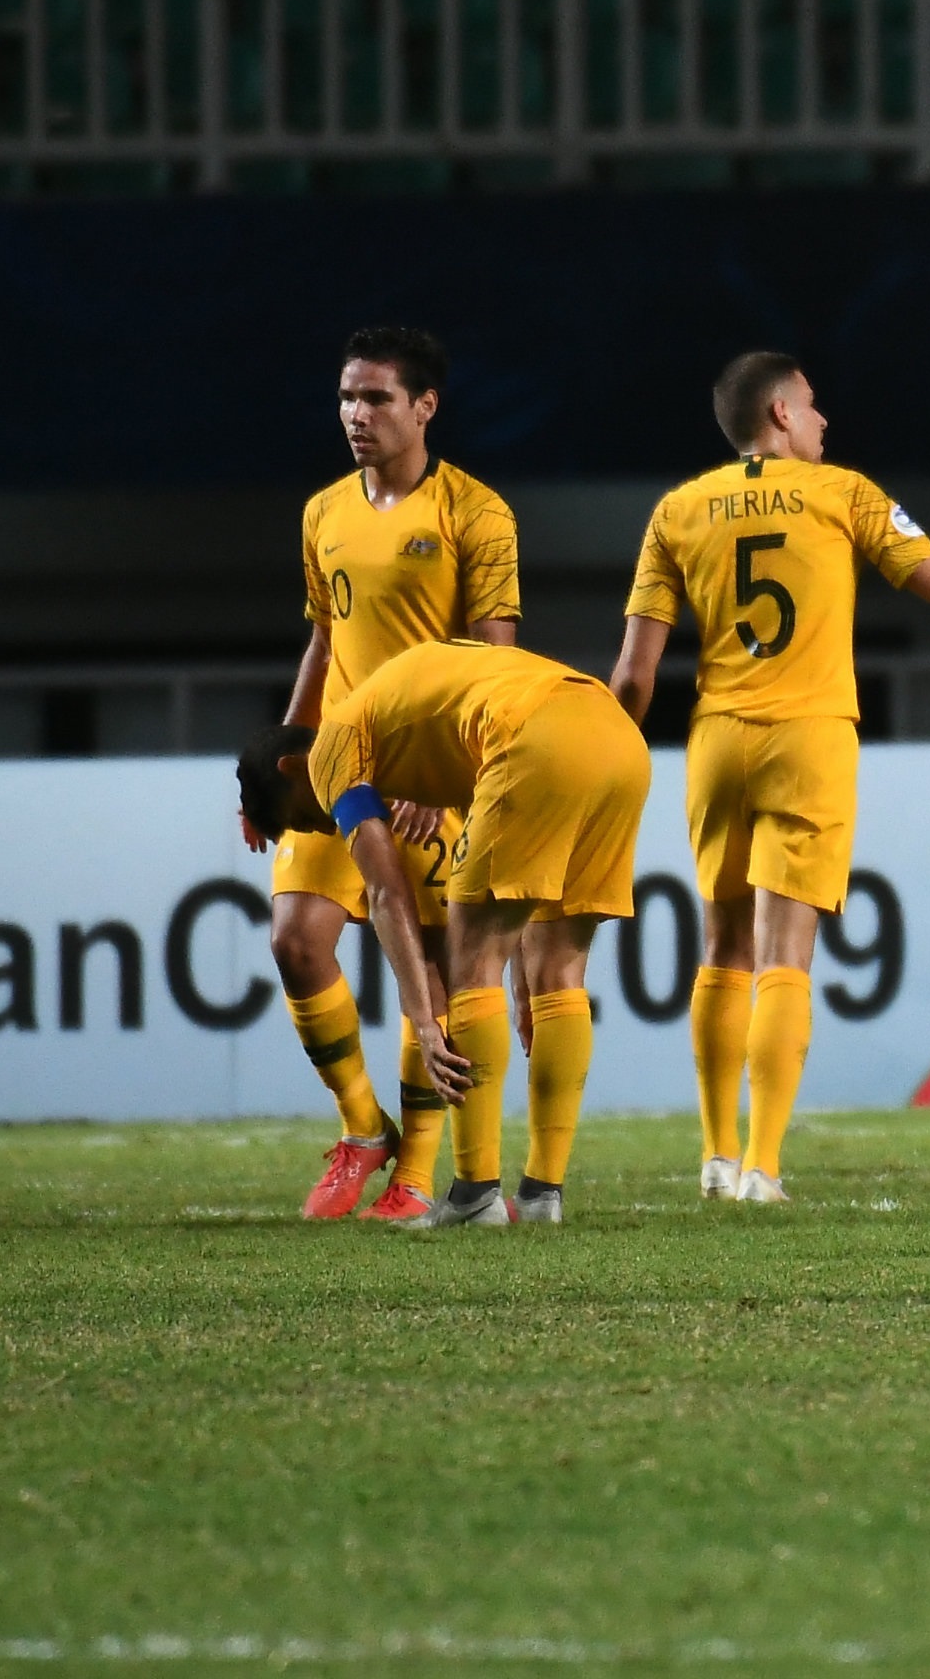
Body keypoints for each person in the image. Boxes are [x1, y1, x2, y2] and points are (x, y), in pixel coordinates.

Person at [608, 353, 930, 1203]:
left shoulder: (677, 511)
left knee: (722, 948)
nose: (824, 420)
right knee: (784, 955)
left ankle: (716, 1156)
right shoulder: (843, 494)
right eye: (812, 405)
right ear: (779, 412)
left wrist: (596, 765)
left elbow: (633, 674)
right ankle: (762, 1166)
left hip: (717, 741)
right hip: (807, 737)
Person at [239, 327, 521, 1223]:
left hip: (431, 773)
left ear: (425, 407)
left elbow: (496, 658)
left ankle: (415, 1178)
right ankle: (363, 1129)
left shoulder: (477, 513)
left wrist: (448, 777)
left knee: (429, 975)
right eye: (345, 398)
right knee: (295, 941)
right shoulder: (324, 512)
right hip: (342, 766)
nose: (354, 415)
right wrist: (280, 766)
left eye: (375, 398)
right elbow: (324, 641)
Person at [236, 640, 652, 1227]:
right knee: (559, 971)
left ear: (290, 768)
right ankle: (542, 1195)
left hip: (533, 732)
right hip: (617, 734)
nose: (322, 828)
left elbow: (386, 890)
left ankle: (475, 1194)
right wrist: (520, 984)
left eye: (303, 819)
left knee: (470, 961)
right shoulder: (396, 718)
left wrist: (425, 1022)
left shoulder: (330, 749)